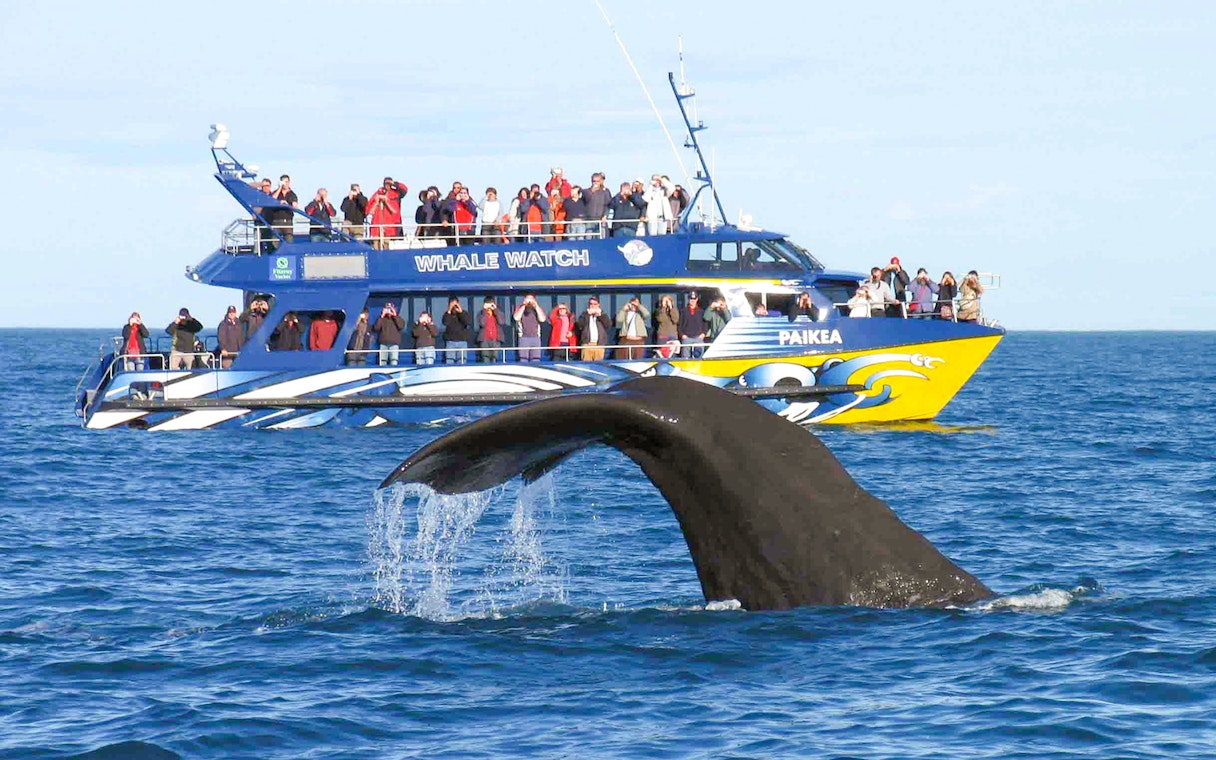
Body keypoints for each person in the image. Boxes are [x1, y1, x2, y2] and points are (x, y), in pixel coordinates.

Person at [367, 177, 409, 249]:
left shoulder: (396, 193)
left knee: (387, 243)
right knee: (376, 241)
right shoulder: (377, 193)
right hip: (377, 222)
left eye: (389, 184)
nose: (387, 186)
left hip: (390, 223)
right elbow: (370, 211)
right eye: (386, 184)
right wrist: (377, 201)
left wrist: (395, 184)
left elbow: (404, 189)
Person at [615, 295, 651, 359]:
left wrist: (638, 306)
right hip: (626, 339)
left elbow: (647, 315)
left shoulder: (640, 313)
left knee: (637, 358)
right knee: (623, 358)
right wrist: (623, 309)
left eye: (635, 304)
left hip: (638, 340)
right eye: (632, 304)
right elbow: (619, 319)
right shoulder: (626, 313)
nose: (634, 305)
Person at [513, 294, 547, 362]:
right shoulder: (520, 308)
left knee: (536, 359)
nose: (529, 302)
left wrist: (536, 306)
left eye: (531, 299)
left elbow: (542, 319)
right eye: (527, 299)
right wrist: (523, 305)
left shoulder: (537, 309)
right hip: (523, 337)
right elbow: (516, 318)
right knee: (523, 359)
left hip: (536, 337)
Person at [576, 296, 611, 361]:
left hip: (599, 345)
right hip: (587, 344)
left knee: (599, 366)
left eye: (595, 304)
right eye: (591, 304)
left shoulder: (603, 314)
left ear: (598, 305)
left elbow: (608, 325)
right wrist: (587, 315)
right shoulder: (584, 314)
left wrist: (600, 315)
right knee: (586, 365)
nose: (592, 306)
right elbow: (580, 326)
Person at [441, 297, 472, 364]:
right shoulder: (447, 314)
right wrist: (449, 310)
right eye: (452, 305)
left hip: (462, 341)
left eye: (455, 304)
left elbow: (468, 322)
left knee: (462, 361)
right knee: (449, 360)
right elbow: (445, 322)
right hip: (450, 342)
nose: (454, 307)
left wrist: (461, 312)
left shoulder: (464, 313)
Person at [269, 174, 298, 244]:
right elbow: (272, 200)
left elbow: (295, 207)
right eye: (284, 182)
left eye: (287, 182)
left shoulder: (292, 194)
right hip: (276, 220)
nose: (286, 184)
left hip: (287, 221)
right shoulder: (275, 193)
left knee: (289, 240)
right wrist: (279, 188)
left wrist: (287, 204)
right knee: (274, 240)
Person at [677, 292, 707, 359]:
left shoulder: (701, 311)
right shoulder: (683, 311)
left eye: (694, 298)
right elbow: (679, 325)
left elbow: (705, 324)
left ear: (697, 299)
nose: (692, 300)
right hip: (686, 338)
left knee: (699, 358)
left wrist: (703, 334)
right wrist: (682, 335)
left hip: (698, 338)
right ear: (688, 299)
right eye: (691, 298)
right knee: (685, 358)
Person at [583, 172, 611, 238]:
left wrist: (605, 215)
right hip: (589, 220)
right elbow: (585, 200)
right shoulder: (586, 191)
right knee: (588, 240)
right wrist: (592, 191)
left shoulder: (605, 192)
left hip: (600, 220)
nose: (595, 183)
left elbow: (608, 205)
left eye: (597, 181)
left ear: (600, 181)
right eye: (594, 181)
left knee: (601, 240)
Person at [477, 297, 505, 362]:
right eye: (488, 304)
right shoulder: (481, 313)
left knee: (494, 357)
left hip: (496, 339)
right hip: (484, 340)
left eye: (491, 304)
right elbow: (482, 323)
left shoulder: (499, 313)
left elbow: (501, 322)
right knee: (485, 358)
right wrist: (485, 311)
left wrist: (495, 310)